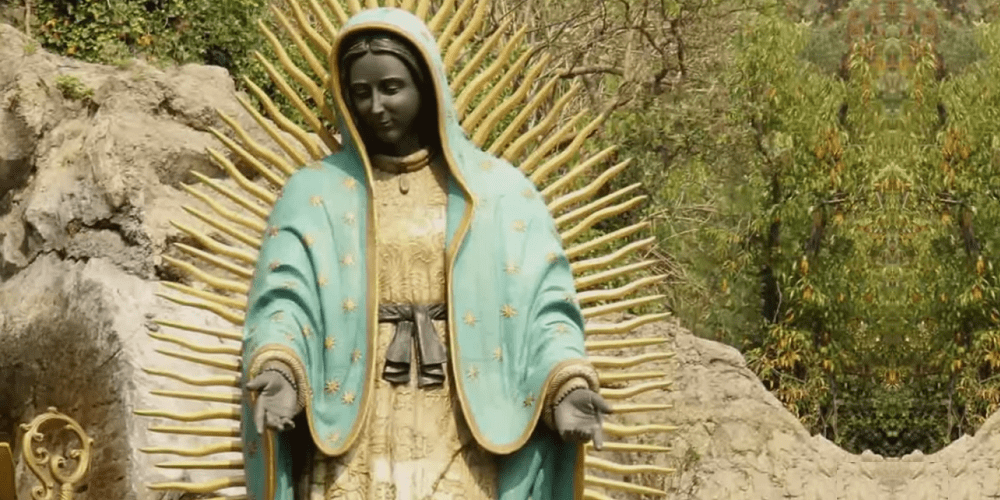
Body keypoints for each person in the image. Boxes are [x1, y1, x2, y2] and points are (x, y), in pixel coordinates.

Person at [240, 8, 610, 500]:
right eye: (361, 92)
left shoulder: (498, 194)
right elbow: (285, 301)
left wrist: (566, 386)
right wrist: (281, 370)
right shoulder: (314, 192)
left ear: (427, 86)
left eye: (391, 88)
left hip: (463, 415)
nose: (376, 106)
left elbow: (544, 311)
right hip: (354, 412)